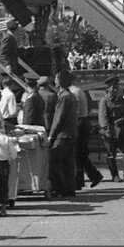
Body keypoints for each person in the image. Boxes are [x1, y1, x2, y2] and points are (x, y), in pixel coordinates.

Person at [47, 70, 78, 198]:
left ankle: (59, 188)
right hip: (71, 133)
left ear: (60, 81)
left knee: (54, 160)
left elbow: (58, 118)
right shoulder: (71, 96)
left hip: (63, 134)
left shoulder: (64, 97)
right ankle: (70, 188)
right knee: (68, 163)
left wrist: (51, 135)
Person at [98, 76, 124, 182]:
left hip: (122, 130)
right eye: (113, 87)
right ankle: (115, 175)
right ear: (108, 89)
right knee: (111, 154)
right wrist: (108, 131)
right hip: (110, 131)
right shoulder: (105, 101)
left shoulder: (123, 101)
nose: (115, 89)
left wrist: (123, 119)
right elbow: (103, 118)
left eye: (117, 87)